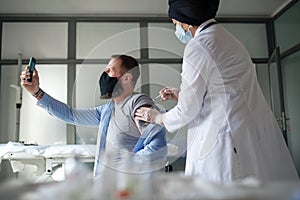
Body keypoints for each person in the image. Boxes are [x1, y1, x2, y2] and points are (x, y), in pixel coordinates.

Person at [135, 0, 299, 183]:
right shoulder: (227, 39)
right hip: (242, 131)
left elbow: (187, 110)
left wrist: (157, 118)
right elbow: (224, 90)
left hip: (224, 140)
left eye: (175, 23)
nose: (177, 29)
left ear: (186, 21)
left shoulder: (198, 46)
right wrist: (181, 94)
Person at [20, 54, 167, 177]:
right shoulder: (108, 110)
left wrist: (127, 169)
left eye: (110, 71)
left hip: (128, 188)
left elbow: (157, 148)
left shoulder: (138, 103)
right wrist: (36, 92)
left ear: (127, 78)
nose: (104, 75)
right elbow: (71, 115)